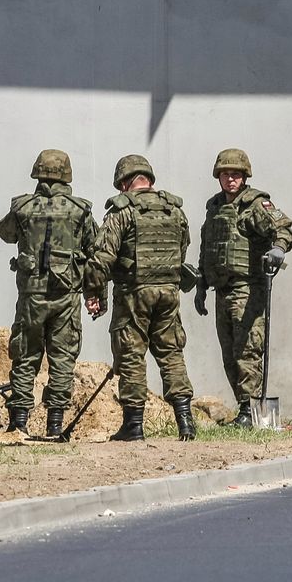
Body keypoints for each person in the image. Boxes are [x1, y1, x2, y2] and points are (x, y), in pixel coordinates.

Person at [84, 154, 196, 442]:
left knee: (132, 356)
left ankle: (134, 426)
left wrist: (94, 292)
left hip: (134, 294)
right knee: (171, 353)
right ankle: (185, 421)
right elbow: (183, 248)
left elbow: (101, 258)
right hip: (168, 293)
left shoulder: (121, 210)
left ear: (123, 183)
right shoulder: (174, 209)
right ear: (149, 179)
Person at [0, 149, 99, 436]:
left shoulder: (23, 207)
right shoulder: (80, 210)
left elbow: (6, 234)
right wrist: (95, 291)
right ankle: (55, 426)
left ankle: (18, 424)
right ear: (67, 175)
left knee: (26, 356)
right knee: (63, 357)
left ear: (37, 172)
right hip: (66, 297)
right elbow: (96, 248)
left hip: (31, 296)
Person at [193, 148, 292, 427]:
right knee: (229, 354)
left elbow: (283, 228)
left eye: (235, 174)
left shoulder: (255, 204)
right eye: (225, 174)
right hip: (222, 290)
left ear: (244, 176)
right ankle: (244, 407)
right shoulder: (214, 207)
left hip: (248, 290)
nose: (230, 180)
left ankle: (251, 411)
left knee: (247, 350)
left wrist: (278, 248)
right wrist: (201, 284)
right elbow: (208, 248)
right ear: (218, 177)